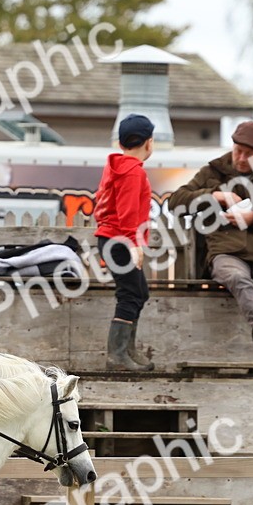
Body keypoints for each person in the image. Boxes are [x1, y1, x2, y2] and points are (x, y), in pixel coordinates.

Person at [166, 121, 253, 363]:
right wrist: (215, 196)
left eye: (249, 154)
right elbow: (176, 202)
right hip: (225, 250)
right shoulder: (213, 171)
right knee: (237, 277)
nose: (240, 158)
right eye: (237, 150)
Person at [94, 113, 157, 372]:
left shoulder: (118, 166)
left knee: (140, 292)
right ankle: (117, 356)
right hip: (119, 241)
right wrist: (133, 243)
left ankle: (128, 350)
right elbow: (127, 211)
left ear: (121, 143)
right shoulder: (132, 172)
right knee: (130, 295)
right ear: (149, 143)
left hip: (113, 239)